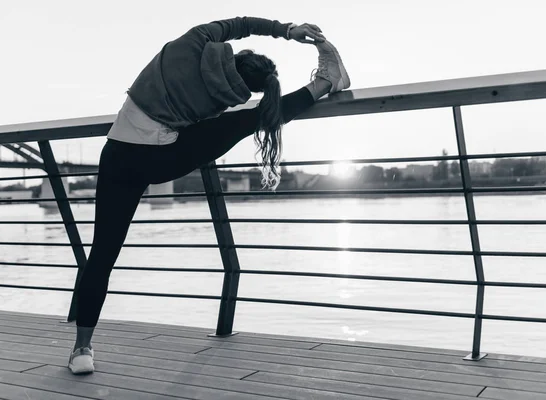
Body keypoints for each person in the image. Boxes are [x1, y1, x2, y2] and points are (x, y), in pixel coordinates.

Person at [68, 16, 350, 374]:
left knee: (102, 254)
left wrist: (287, 30)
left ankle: (81, 349)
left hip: (118, 153)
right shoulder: (227, 99)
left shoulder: (197, 39)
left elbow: (241, 22)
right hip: (162, 161)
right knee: (248, 121)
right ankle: (325, 83)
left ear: (236, 55)